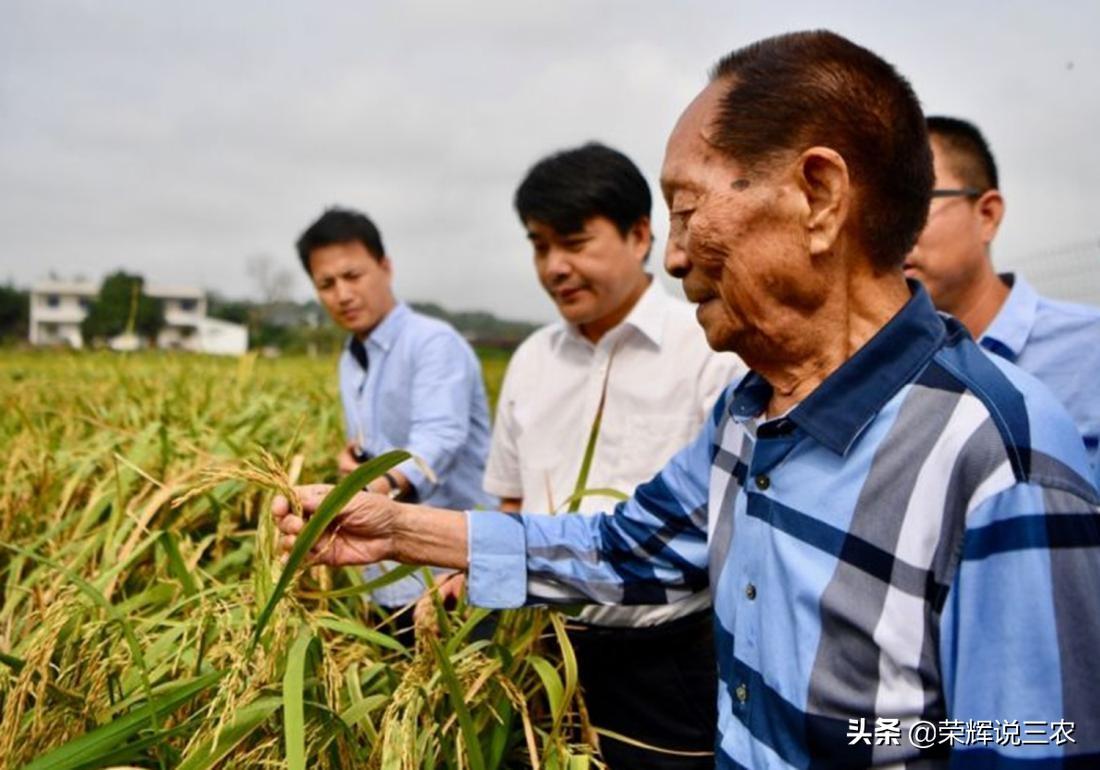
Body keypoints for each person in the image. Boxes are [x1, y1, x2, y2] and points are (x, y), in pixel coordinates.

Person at [277, 32, 1100, 769]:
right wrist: (404, 531)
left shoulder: (1000, 460)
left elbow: (1025, 739)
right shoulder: (751, 413)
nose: (673, 259)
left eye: (686, 211)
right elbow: (629, 552)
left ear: (818, 197)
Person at [480, 142, 742, 767]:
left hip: (666, 659)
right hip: (538, 652)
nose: (555, 267)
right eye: (540, 246)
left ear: (639, 234)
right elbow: (510, 498)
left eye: (574, 242)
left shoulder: (709, 349)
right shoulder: (531, 360)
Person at [295, 207, 493, 638]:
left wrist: (368, 487)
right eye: (326, 284)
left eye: (353, 275)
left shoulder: (432, 344)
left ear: (385, 267)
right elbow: (377, 442)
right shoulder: (353, 356)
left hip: (449, 575)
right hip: (383, 577)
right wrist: (354, 460)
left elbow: (439, 438)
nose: (342, 294)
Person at [905, 116, 1100, 486]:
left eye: (913, 203)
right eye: (879, 211)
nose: (893, 231)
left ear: (987, 214)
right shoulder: (881, 376)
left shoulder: (1091, 351)